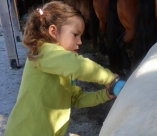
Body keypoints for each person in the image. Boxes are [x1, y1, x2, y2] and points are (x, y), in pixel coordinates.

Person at [4, 1, 118, 135]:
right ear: (53, 31)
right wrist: (109, 78)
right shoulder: (44, 52)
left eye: (81, 36)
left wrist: (104, 95)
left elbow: (77, 98)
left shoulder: (61, 65)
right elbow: (79, 66)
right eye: (75, 34)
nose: (80, 41)